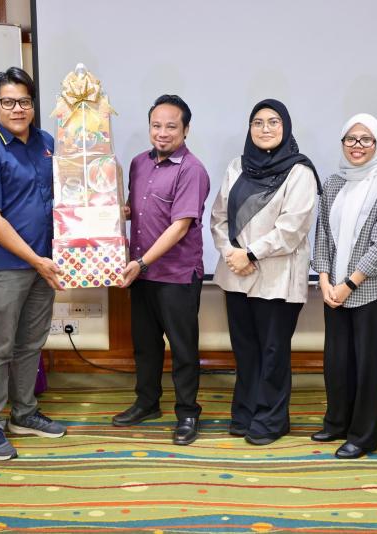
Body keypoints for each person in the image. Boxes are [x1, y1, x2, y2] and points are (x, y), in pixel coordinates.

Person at [0, 67, 66, 460]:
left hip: (44, 263)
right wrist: (37, 260)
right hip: (6, 265)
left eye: (24, 101)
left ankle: (23, 414)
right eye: (8, 102)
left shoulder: (46, 142)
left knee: (31, 344)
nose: (17, 109)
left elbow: (64, 197)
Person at [210, 99, 320, 446]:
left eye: (273, 122)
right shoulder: (236, 166)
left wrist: (250, 254)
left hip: (278, 277)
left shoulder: (299, 172)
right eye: (257, 122)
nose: (265, 128)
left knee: (273, 351)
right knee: (245, 349)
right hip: (236, 275)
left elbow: (292, 228)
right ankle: (245, 412)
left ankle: (271, 419)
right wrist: (230, 252)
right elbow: (218, 217)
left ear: (285, 127)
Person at [115, 94, 211, 446]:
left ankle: (187, 412)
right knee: (145, 345)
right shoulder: (138, 163)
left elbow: (179, 226)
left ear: (186, 130)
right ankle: (147, 402)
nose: (162, 132)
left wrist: (141, 262)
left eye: (171, 126)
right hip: (142, 275)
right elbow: (136, 209)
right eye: (156, 125)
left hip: (176, 275)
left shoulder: (192, 170)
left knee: (183, 349)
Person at [311, 113, 377, 459]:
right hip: (333, 289)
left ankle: (365, 435)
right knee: (336, 360)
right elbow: (323, 234)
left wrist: (348, 284)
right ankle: (337, 422)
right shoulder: (333, 182)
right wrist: (324, 279)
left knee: (367, 364)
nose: (357, 146)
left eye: (366, 139)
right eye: (350, 139)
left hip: (369, 290)